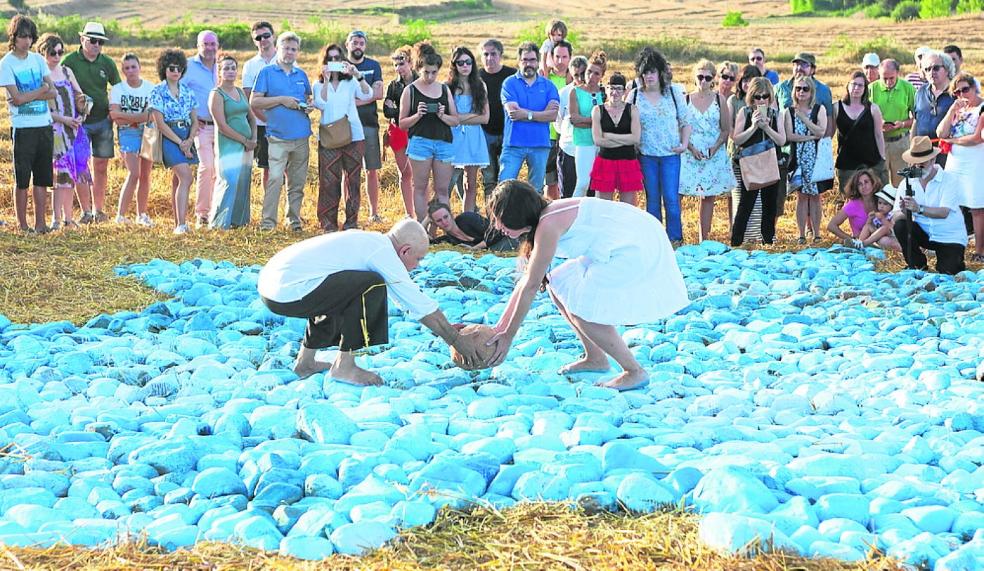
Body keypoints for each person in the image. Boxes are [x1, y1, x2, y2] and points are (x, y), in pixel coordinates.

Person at [484, 181, 689, 391]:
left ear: (515, 213)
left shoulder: (548, 224)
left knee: (583, 308)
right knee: (559, 283)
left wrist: (508, 336)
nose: (498, 226)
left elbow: (531, 285)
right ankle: (596, 357)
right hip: (625, 239)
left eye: (500, 219)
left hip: (634, 245)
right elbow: (528, 280)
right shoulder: (546, 217)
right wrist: (499, 329)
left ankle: (634, 371)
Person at [257, 219, 486, 384]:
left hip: (274, 286)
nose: (417, 266)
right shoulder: (382, 253)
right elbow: (416, 301)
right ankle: (344, 367)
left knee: (345, 292)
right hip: (287, 290)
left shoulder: (371, 242)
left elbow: (406, 302)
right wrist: (455, 339)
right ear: (405, 250)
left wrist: (447, 329)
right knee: (372, 285)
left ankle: (305, 364)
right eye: (418, 259)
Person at [250, 31, 313, 232]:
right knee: (275, 179)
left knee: (297, 182)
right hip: (277, 136)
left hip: (301, 136)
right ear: (278, 48)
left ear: (298, 52)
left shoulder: (301, 75)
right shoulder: (267, 73)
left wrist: (308, 106)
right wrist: (281, 100)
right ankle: (268, 222)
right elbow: (255, 101)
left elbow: (307, 99)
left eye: (294, 49)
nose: (290, 52)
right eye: (286, 48)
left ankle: (293, 220)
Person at [628, 47, 690, 244]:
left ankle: (675, 240)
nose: (649, 76)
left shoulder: (673, 93)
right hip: (646, 156)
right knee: (652, 200)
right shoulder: (635, 96)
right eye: (645, 72)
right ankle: (656, 241)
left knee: (671, 199)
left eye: (652, 71)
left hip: (671, 155)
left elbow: (685, 121)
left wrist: (684, 144)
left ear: (660, 72)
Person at [60, 21, 120, 224]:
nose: (96, 45)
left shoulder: (107, 63)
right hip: (79, 123)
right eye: (93, 40)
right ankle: (85, 211)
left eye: (100, 42)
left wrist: (115, 111)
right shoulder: (69, 62)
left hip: (103, 120)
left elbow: (118, 89)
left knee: (101, 165)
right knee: (81, 166)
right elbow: (60, 88)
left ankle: (98, 210)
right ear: (82, 39)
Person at [1, 14, 54, 234]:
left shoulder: (38, 60)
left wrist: (35, 93)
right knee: (22, 179)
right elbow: (18, 99)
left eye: (30, 37)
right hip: (23, 128)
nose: (27, 41)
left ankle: (40, 224)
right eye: (22, 36)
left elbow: (52, 92)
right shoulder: (6, 64)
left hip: (44, 125)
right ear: (14, 37)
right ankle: (23, 226)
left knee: (41, 179)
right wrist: (40, 90)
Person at [312, 43, 373, 232]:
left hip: (353, 135)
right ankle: (328, 222)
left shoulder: (350, 82)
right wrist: (327, 80)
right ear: (324, 61)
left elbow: (367, 94)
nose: (334, 62)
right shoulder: (318, 84)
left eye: (337, 58)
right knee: (329, 181)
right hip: (330, 137)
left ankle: (351, 221)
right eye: (330, 59)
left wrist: (357, 74)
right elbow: (320, 104)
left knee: (353, 181)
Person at [399, 42, 459, 224]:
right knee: (420, 187)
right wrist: (418, 115)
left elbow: (455, 120)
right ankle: (421, 226)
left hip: (443, 142)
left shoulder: (444, 89)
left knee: (442, 190)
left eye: (434, 72)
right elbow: (402, 123)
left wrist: (442, 115)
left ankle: (445, 228)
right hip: (420, 141)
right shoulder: (410, 91)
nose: (431, 76)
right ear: (419, 69)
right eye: (426, 72)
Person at [891, 136, 967, 275]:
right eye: (914, 164)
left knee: (948, 272)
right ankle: (917, 265)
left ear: (933, 160)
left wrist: (918, 209)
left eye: (921, 164)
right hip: (925, 232)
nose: (917, 168)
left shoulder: (949, 180)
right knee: (901, 225)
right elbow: (895, 215)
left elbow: (943, 212)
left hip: (948, 236)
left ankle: (953, 259)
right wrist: (905, 211)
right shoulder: (907, 182)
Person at [680, 59, 735, 242]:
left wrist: (715, 146)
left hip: (713, 152)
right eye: (700, 77)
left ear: (713, 79)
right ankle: (676, 235)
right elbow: (679, 127)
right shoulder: (685, 99)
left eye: (707, 77)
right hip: (689, 152)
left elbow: (726, 129)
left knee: (708, 196)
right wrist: (691, 147)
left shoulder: (720, 100)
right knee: (679, 193)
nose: (703, 81)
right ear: (695, 78)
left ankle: (704, 238)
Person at [39, 32, 88, 231]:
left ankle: (68, 218)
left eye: (60, 52)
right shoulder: (42, 75)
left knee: (70, 177)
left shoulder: (67, 71)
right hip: (54, 131)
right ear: (43, 52)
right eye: (53, 52)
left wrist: (82, 112)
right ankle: (56, 219)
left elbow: (80, 95)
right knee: (59, 178)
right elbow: (44, 109)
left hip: (73, 130)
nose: (57, 56)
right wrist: (65, 119)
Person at [731, 77, 786, 247]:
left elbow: (782, 140)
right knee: (745, 205)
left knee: (769, 205)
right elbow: (737, 139)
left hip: (771, 163)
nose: (761, 100)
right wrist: (754, 126)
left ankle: (768, 242)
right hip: (751, 165)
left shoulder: (776, 114)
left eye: (765, 97)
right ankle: (736, 242)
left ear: (770, 97)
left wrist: (767, 127)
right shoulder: (745, 112)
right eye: (757, 97)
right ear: (751, 96)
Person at [149, 49, 199, 235]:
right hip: (169, 136)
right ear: (164, 69)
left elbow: (195, 120)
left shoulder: (188, 92)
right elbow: (159, 123)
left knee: (178, 180)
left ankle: (178, 222)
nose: (175, 71)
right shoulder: (157, 91)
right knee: (186, 177)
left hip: (186, 134)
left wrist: (189, 140)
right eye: (171, 68)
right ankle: (182, 224)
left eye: (179, 68)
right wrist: (181, 142)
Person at [499, 42, 560, 194]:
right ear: (519, 61)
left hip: (540, 144)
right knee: (504, 188)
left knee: (536, 191)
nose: (528, 64)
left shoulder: (548, 86)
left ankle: (534, 218)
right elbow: (513, 113)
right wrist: (540, 115)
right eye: (525, 60)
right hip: (513, 144)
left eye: (532, 60)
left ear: (538, 62)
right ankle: (500, 218)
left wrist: (527, 114)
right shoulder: (509, 83)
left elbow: (552, 115)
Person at [937, 72, 984, 263]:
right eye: (957, 92)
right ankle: (954, 243)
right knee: (952, 203)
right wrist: (951, 111)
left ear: (974, 88)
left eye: (965, 89)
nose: (962, 94)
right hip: (955, 161)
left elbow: (977, 137)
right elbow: (940, 132)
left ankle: (980, 250)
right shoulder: (958, 108)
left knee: (977, 208)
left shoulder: (982, 108)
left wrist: (953, 140)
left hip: (975, 161)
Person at [208, 55, 256, 229]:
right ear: (219, 72)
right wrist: (244, 140)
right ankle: (219, 223)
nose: (230, 71)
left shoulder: (241, 92)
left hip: (247, 145)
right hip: (229, 144)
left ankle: (239, 221)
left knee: (243, 181)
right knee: (230, 181)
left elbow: (251, 117)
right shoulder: (216, 94)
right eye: (226, 68)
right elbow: (221, 125)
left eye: (233, 68)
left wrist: (253, 139)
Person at [110, 53, 153, 226]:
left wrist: (125, 116)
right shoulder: (118, 89)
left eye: (133, 67)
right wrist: (138, 117)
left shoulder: (150, 88)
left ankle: (141, 214)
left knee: (145, 175)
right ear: (123, 70)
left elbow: (150, 116)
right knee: (134, 173)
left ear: (140, 67)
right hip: (127, 134)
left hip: (148, 133)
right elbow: (114, 117)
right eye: (127, 68)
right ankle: (120, 215)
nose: (131, 71)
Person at [346, 30, 385, 223]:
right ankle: (349, 211)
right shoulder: (341, 66)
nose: (358, 46)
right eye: (354, 42)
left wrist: (352, 102)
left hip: (369, 124)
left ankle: (373, 212)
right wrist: (364, 98)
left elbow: (378, 94)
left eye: (361, 43)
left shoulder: (373, 65)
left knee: (371, 170)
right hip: (345, 126)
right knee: (348, 171)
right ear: (348, 45)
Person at [182, 30, 219, 227]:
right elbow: (178, 92)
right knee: (207, 167)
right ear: (198, 46)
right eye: (206, 44)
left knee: (220, 169)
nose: (210, 48)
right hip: (201, 126)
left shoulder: (221, 67)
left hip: (221, 127)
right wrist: (191, 117)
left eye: (213, 44)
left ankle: (217, 210)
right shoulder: (188, 66)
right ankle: (202, 214)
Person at [447, 46, 489, 213]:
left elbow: (485, 118)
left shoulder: (480, 86)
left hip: (473, 138)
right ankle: (439, 222)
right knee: (446, 184)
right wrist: (472, 115)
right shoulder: (448, 87)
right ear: (454, 65)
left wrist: (461, 117)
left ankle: (467, 219)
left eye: (468, 62)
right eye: (460, 62)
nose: (465, 66)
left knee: (470, 184)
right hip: (453, 138)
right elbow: (450, 118)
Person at [589, 73, 641, 205]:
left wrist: (609, 136)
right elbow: (598, 141)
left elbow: (635, 139)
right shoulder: (597, 110)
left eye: (618, 89)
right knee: (603, 207)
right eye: (611, 88)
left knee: (627, 209)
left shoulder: (632, 110)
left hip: (628, 162)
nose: (615, 92)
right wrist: (625, 140)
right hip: (605, 162)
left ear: (624, 91)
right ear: (606, 89)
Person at [833, 72, 887, 196]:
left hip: (870, 162)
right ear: (848, 86)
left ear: (865, 89)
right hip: (846, 163)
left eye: (860, 85)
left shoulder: (873, 108)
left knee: (874, 200)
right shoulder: (837, 107)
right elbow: (829, 133)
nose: (856, 88)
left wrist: (882, 158)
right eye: (854, 84)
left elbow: (879, 135)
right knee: (851, 201)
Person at [728, 64, 763, 243]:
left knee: (756, 201)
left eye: (752, 80)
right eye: (745, 80)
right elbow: (732, 132)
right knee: (739, 197)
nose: (748, 84)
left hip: (758, 156)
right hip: (737, 156)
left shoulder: (763, 102)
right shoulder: (734, 101)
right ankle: (738, 237)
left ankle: (754, 238)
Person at [478, 39, 516, 195]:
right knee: (488, 179)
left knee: (506, 180)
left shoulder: (512, 75)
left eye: (493, 54)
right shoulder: (476, 77)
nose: (489, 58)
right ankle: (490, 216)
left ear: (501, 55)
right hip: (484, 132)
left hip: (508, 133)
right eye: (485, 54)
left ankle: (505, 213)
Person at [870, 59, 916, 186]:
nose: (888, 82)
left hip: (901, 143)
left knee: (902, 184)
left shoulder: (908, 88)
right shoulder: (871, 89)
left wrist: (902, 124)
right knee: (878, 183)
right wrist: (878, 123)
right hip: (878, 142)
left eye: (891, 78)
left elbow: (917, 117)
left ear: (898, 73)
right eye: (884, 78)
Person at [242, 21, 276, 187]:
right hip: (262, 124)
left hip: (286, 123)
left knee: (288, 168)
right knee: (267, 168)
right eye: (258, 37)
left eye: (266, 35)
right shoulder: (250, 66)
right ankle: (269, 210)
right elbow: (248, 98)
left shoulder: (287, 60)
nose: (263, 40)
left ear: (273, 36)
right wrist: (266, 119)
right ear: (254, 41)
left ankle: (289, 211)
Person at [383, 45, 415, 218]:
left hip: (417, 131)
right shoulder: (393, 86)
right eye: (395, 65)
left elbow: (418, 110)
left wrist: (397, 110)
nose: (398, 68)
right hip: (397, 131)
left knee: (418, 174)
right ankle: (409, 213)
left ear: (411, 62)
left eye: (401, 63)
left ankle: (421, 211)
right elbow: (387, 111)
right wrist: (403, 113)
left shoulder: (420, 82)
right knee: (405, 172)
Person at [568, 50, 606, 198]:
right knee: (583, 182)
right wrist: (598, 120)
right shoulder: (575, 92)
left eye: (596, 73)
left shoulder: (604, 93)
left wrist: (587, 120)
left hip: (603, 142)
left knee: (600, 184)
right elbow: (575, 120)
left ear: (602, 76)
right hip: (584, 141)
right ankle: (573, 214)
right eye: (589, 71)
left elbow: (609, 119)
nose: (591, 76)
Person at [539, 40, 573, 199]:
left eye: (564, 57)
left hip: (568, 138)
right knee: (550, 181)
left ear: (570, 58)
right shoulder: (546, 79)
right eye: (557, 56)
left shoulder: (574, 80)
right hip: (549, 135)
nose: (560, 61)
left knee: (567, 180)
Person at [556, 55, 587, 199]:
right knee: (567, 193)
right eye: (576, 75)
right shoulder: (563, 94)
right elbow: (558, 123)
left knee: (588, 193)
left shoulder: (598, 92)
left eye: (583, 74)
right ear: (570, 74)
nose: (580, 78)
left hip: (589, 148)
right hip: (568, 148)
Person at [913, 50, 955, 152]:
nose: (931, 72)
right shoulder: (920, 92)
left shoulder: (957, 93)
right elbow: (916, 122)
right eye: (927, 69)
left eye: (936, 68)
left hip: (948, 151)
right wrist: (912, 148)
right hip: (922, 152)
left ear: (947, 69)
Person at [826, 168, 880, 245]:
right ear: (856, 187)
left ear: (873, 183)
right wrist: (850, 239)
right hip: (861, 242)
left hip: (881, 241)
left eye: (866, 182)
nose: (864, 186)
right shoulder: (853, 205)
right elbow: (831, 226)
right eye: (859, 184)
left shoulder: (880, 201)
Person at [427, 201, 511, 250]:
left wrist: (475, 248)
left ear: (451, 215)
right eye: (439, 220)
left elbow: (497, 231)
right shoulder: (447, 240)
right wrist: (426, 220)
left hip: (507, 240)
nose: (444, 222)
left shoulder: (466, 218)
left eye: (446, 217)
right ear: (435, 224)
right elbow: (423, 242)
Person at [857, 184, 900, 251]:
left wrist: (882, 219)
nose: (881, 206)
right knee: (867, 226)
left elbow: (891, 228)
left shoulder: (892, 214)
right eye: (880, 203)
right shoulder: (878, 214)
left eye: (885, 204)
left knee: (884, 228)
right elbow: (872, 226)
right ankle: (859, 243)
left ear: (892, 206)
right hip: (879, 235)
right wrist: (869, 219)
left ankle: (864, 243)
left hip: (891, 235)